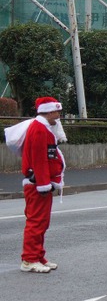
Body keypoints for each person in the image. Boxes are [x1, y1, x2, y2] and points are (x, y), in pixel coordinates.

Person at [15, 96, 66, 273]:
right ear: (49, 111)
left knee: (42, 222)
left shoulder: (43, 128)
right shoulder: (38, 129)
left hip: (42, 183)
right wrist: (44, 184)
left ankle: (37, 255)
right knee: (36, 222)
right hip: (37, 184)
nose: (59, 114)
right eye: (57, 111)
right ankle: (29, 259)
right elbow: (39, 159)